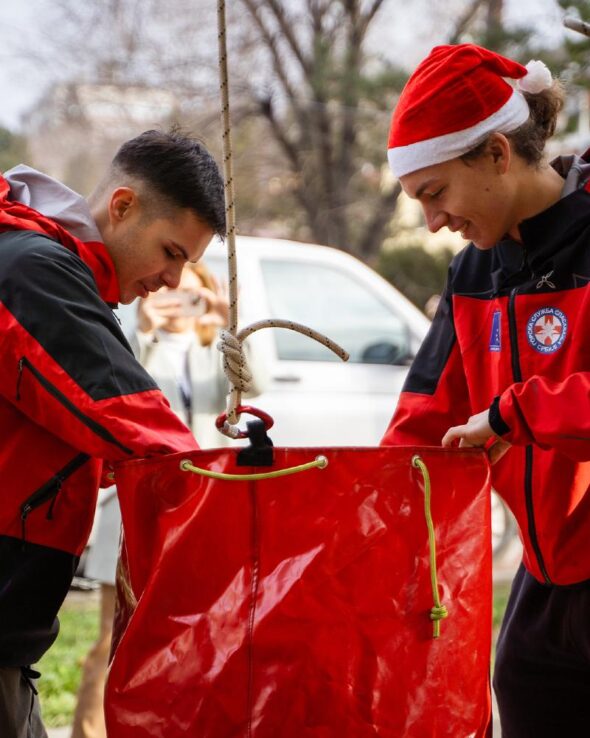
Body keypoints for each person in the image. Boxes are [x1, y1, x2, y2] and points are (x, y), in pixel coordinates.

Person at [381, 43, 590, 736]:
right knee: (521, 687)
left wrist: (512, 414)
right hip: (547, 578)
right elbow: (420, 424)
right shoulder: (474, 270)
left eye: (434, 193)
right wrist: (361, 521)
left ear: (497, 153)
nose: (431, 221)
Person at [0, 128, 225, 737]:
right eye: (171, 252)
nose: (173, 280)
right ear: (122, 206)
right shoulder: (34, 266)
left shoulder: (44, 262)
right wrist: (234, 511)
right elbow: (125, 412)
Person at [70, 260, 232, 738]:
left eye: (192, 295)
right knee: (113, 638)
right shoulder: (135, 343)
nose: (179, 303)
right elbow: (112, 382)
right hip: (131, 512)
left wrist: (227, 323)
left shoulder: (210, 352)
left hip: (193, 511)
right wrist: (142, 329)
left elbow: (251, 386)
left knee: (189, 635)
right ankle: (87, 731)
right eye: (171, 293)